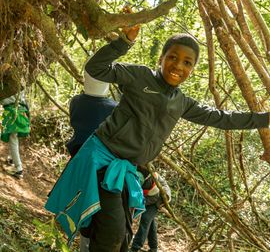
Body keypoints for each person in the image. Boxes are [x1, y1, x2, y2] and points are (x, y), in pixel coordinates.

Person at [45, 26, 270, 252]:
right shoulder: (140, 76)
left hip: (127, 171)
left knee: (121, 236)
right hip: (102, 161)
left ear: (192, 69)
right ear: (161, 58)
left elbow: (222, 118)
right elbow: (96, 68)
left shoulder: (181, 102)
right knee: (111, 234)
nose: (178, 66)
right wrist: (124, 41)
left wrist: (265, 119)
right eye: (173, 57)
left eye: (187, 62)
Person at [66, 71, 118, 252]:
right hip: (101, 166)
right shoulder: (113, 107)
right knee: (97, 212)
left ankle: (84, 243)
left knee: (83, 207)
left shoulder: (76, 102)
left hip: (77, 160)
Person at [130, 166, 171, 252]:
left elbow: (154, 198)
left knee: (145, 219)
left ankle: (135, 247)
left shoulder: (154, 178)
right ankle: (154, 248)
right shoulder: (135, 173)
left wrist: (139, 204)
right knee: (150, 223)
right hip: (147, 198)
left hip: (157, 200)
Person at [0, 91, 30, 179]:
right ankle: (12, 159)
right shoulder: (18, 82)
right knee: (13, 137)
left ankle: (19, 169)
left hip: (12, 112)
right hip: (20, 111)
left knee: (13, 138)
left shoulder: (6, 83)